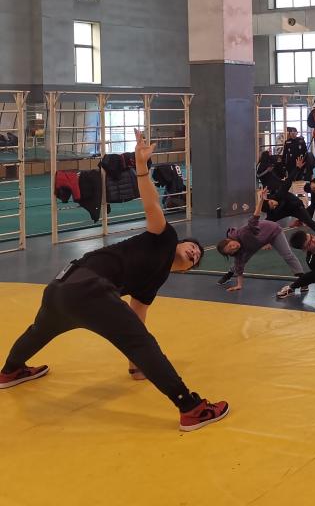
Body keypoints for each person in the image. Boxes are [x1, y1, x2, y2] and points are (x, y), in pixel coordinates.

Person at [0, 130, 229, 431]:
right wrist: (141, 166)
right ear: (179, 243)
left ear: (186, 270)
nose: (195, 252)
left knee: (39, 331)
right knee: (140, 342)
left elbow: (137, 314)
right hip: (84, 287)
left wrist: (136, 366)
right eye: (193, 247)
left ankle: (10, 371)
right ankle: (191, 408)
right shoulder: (164, 238)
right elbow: (152, 206)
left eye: (196, 258)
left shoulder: (154, 280)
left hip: (62, 289)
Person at [215, 188, 306, 290]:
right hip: (255, 243)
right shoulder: (237, 251)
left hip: (272, 230)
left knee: (288, 255)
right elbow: (239, 265)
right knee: (240, 261)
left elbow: (255, 217)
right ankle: (229, 274)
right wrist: (239, 285)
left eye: (231, 245)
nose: (234, 247)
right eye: (231, 251)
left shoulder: (243, 233)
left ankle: (302, 280)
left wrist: (262, 200)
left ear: (229, 240)